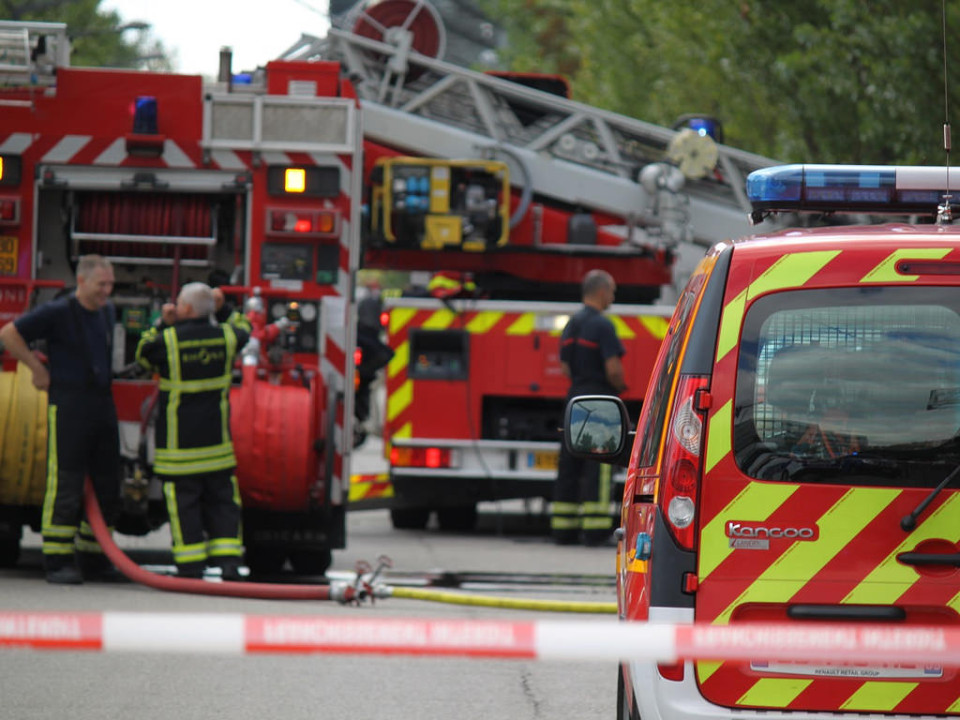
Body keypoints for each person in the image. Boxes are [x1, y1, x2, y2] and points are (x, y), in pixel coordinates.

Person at [0, 255, 120, 583]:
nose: (107, 291)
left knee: (109, 480)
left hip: (101, 403)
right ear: (81, 282)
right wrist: (37, 369)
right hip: (69, 403)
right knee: (66, 480)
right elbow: (10, 333)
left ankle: (95, 557)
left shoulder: (107, 312)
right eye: (101, 285)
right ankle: (57, 558)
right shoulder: (59, 312)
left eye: (110, 284)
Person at [135, 282, 249, 580]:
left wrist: (161, 321)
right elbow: (245, 327)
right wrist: (223, 307)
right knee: (223, 502)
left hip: (179, 448)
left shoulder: (168, 341)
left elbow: (143, 354)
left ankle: (190, 566)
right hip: (217, 446)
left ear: (184, 308)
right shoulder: (227, 336)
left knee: (184, 505)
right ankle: (229, 564)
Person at [552, 269, 627, 546]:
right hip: (600, 401)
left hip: (575, 398)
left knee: (569, 462)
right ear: (601, 291)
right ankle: (595, 530)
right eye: (612, 291)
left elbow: (563, 367)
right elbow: (613, 368)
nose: (613, 296)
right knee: (600, 463)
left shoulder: (571, 324)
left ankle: (563, 529)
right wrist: (620, 387)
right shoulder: (603, 326)